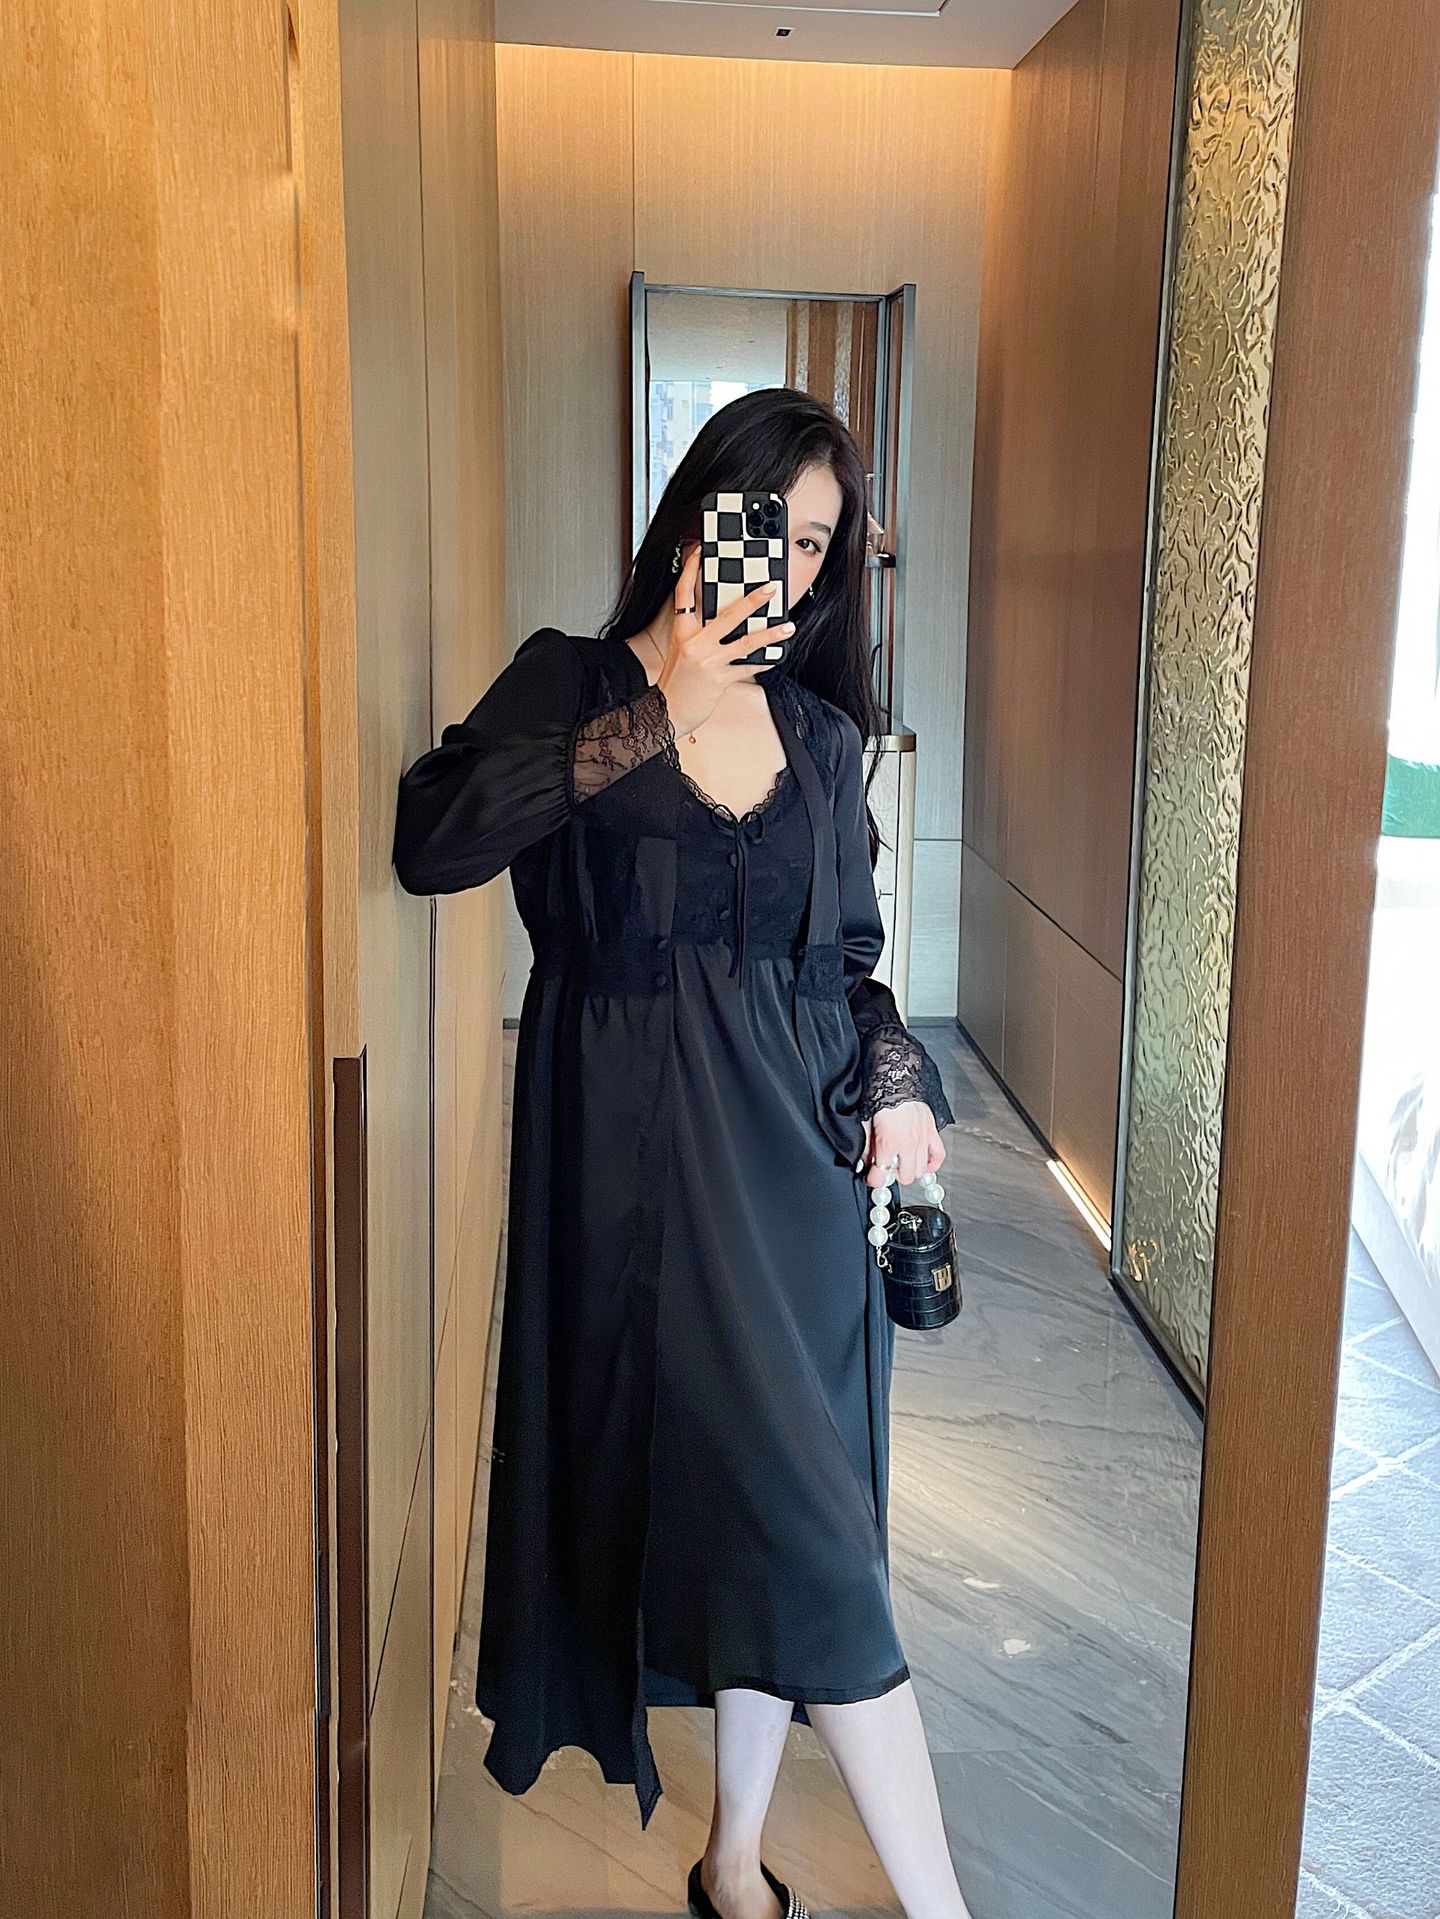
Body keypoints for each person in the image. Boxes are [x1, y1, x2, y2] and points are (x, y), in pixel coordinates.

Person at [393, 388, 976, 1919]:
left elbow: (849, 968)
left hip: (802, 1200)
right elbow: (436, 841)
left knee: (798, 1543)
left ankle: (732, 1863)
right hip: (643, 1195)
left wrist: (899, 1078)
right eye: (769, 523)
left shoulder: (825, 742)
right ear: (696, 514)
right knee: (817, 1559)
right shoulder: (575, 681)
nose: (791, 562)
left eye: (821, 543)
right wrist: (662, 690)